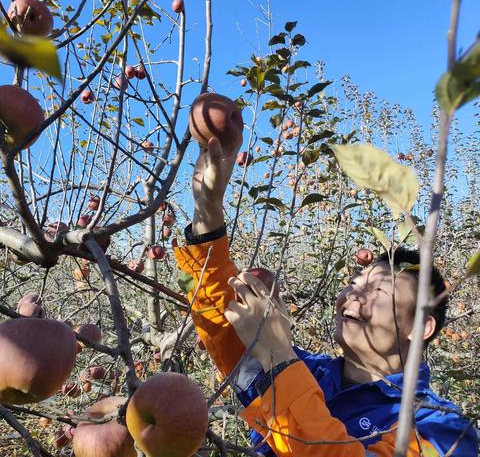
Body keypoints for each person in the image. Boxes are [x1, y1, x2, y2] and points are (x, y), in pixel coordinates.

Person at [173, 136, 478, 456]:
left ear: (421, 326)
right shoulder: (308, 373)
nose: (351, 294)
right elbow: (226, 324)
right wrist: (208, 213)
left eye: (376, 289)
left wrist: (278, 357)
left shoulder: (445, 430)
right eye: (354, 282)